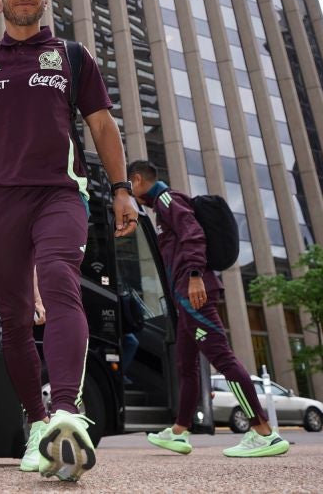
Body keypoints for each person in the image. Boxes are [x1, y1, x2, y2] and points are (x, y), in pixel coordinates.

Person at [0, 0, 138, 482]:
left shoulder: (72, 56)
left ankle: (67, 411)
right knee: (17, 320)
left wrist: (121, 189)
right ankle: (38, 425)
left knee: (60, 285)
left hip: (59, 196)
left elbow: (101, 126)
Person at [127, 160, 289, 458]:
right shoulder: (163, 206)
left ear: (137, 180)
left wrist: (194, 276)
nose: (129, 194)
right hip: (184, 295)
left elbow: (193, 235)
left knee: (223, 359)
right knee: (186, 366)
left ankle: (263, 432)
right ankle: (179, 431)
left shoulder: (166, 200)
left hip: (194, 293)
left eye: (128, 187)